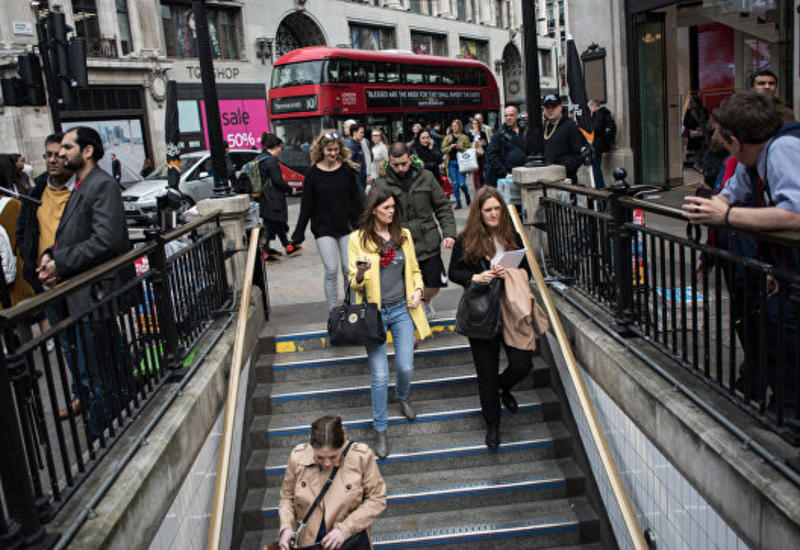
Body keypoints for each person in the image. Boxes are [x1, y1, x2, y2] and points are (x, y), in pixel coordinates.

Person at [682, 91, 800, 418]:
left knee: (785, 340)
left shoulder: (782, 150)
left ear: (735, 141)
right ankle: (786, 411)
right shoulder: (754, 162)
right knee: (774, 332)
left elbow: (794, 215)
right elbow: (728, 196)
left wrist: (728, 217)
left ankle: (790, 414)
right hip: (784, 272)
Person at [37, 127, 133, 438]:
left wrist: (61, 262)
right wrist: (53, 254)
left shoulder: (101, 185)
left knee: (100, 372)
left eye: (67, 147)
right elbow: (76, 231)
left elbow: (106, 239)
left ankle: (103, 436)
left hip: (96, 296)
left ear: (87, 151)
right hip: (85, 296)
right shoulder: (82, 185)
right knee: (103, 369)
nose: (60, 153)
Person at [448, 187, 538, 449]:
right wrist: (475, 277)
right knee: (485, 374)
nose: (494, 214)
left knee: (522, 363)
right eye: (488, 210)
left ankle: (501, 389)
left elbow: (527, 272)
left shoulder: (512, 236)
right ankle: (493, 425)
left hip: (510, 309)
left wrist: (509, 272)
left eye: (497, 208)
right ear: (479, 212)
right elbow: (454, 272)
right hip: (481, 312)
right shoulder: (466, 240)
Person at [349, 188, 431, 458]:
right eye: (386, 207)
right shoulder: (357, 239)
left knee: (405, 366)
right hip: (374, 315)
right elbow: (352, 281)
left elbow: (415, 271)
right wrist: (360, 274)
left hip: (401, 310)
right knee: (380, 375)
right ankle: (381, 428)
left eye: (393, 207)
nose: (391, 211)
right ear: (373, 209)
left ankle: (404, 395)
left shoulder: (403, 235)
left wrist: (418, 291)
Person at [16, 133, 79, 417]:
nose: (53, 160)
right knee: (66, 342)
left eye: (59, 154)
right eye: (48, 155)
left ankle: (99, 393)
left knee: (88, 338)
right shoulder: (37, 189)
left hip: (78, 278)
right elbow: (24, 230)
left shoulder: (81, 189)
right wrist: (31, 263)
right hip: (48, 284)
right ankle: (80, 393)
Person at [277, 415, 386, 550]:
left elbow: (377, 499)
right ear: (312, 446)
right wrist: (286, 528)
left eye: (333, 456)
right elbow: (287, 498)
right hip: (309, 543)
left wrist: (345, 529)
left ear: (343, 443)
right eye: (320, 457)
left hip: (349, 542)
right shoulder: (298, 458)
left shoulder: (361, 457)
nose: (327, 463)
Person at [374, 142, 456, 320]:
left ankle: (425, 300)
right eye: (396, 165)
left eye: (404, 163)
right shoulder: (381, 182)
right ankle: (410, 314)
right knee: (404, 285)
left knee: (435, 282)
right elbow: (373, 213)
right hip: (398, 243)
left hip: (428, 239)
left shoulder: (426, 177)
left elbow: (442, 206)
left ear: (411, 159)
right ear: (389, 161)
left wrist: (449, 233)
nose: (401, 168)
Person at [291, 130, 363, 312]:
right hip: (323, 229)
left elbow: (357, 201)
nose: (333, 154)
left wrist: (362, 224)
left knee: (349, 269)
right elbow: (306, 206)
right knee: (331, 270)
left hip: (347, 227)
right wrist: (298, 233)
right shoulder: (313, 174)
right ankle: (334, 313)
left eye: (336, 150)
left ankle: (351, 309)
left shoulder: (347, 170)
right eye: (329, 150)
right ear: (321, 150)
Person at [258, 133, 301, 263]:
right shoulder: (271, 161)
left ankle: (286, 246)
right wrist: (290, 189)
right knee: (273, 223)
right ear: (276, 147)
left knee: (275, 223)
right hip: (273, 198)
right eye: (281, 148)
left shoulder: (260, 158)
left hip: (265, 197)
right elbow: (278, 181)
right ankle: (265, 252)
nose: (281, 151)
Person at [541, 94, 588, 184]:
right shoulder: (544, 128)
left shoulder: (570, 126)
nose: (550, 110)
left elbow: (578, 154)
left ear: (560, 107)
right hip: (547, 176)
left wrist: (567, 169)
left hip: (565, 178)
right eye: (547, 107)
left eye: (553, 106)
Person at [486, 105, 527, 188]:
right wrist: (504, 172)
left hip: (524, 173)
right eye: (506, 116)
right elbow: (492, 154)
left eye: (511, 115)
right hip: (508, 176)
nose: (508, 118)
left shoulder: (525, 130)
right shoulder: (499, 134)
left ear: (517, 116)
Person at [440, 118, 472, 209]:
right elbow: (443, 150)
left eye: (456, 126)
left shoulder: (464, 137)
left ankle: (467, 194)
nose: (454, 128)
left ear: (460, 127)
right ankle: (458, 202)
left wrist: (460, 147)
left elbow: (469, 151)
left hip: (462, 163)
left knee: (462, 183)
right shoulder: (448, 138)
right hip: (451, 163)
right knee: (454, 183)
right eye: (453, 126)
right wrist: (450, 147)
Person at [588, 99, 617, 189]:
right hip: (601, 144)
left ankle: (599, 186)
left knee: (595, 167)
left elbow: (595, 128)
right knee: (596, 166)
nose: (590, 110)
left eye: (590, 108)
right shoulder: (604, 114)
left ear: (594, 106)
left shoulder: (599, 115)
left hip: (597, 145)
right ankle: (599, 185)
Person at [683, 95, 708, 172]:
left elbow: (707, 119)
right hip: (694, 135)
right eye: (690, 102)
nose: (691, 104)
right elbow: (686, 123)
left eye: (692, 102)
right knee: (697, 150)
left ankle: (702, 165)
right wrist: (694, 128)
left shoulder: (703, 110)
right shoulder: (689, 112)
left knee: (703, 149)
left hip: (703, 134)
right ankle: (698, 165)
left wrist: (703, 127)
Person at [346, 123, 368, 200]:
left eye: (377, 136)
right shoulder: (353, 146)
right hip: (359, 178)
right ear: (354, 133)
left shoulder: (383, 148)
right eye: (361, 132)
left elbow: (386, 161)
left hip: (368, 176)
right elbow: (350, 163)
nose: (363, 134)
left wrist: (384, 169)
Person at [468, 118, 488, 189]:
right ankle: (477, 188)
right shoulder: (470, 134)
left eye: (476, 123)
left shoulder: (482, 133)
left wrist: (483, 142)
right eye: (473, 123)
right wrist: (474, 134)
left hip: (481, 154)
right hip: (473, 155)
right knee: (475, 173)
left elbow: (486, 144)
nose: (475, 125)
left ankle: (482, 185)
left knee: (481, 172)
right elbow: (468, 144)